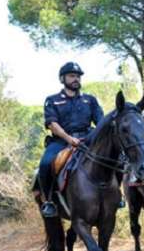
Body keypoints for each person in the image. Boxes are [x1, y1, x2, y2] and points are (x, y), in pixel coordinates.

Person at [38, 62, 103, 218]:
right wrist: (69, 139)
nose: (76, 79)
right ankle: (49, 202)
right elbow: (52, 125)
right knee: (46, 164)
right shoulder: (52, 100)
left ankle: (116, 195)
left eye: (78, 76)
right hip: (61, 141)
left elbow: (100, 121)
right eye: (72, 76)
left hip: (88, 138)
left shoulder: (90, 100)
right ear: (62, 78)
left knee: (111, 157)